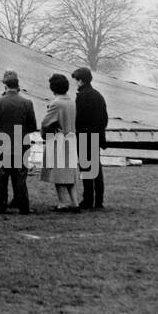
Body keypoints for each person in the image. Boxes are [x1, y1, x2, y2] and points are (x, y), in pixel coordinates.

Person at [0, 69, 37, 216]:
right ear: (18, 85)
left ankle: (1, 207)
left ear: (4, 85)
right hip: (21, 143)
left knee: (2, 176)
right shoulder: (27, 103)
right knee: (20, 176)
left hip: (3, 142)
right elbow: (32, 126)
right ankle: (23, 207)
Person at [40, 72, 80, 211]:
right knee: (70, 174)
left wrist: (44, 134)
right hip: (71, 139)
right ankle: (75, 203)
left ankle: (62, 203)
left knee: (58, 174)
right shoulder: (71, 101)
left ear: (53, 88)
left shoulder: (56, 103)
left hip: (59, 140)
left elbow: (46, 123)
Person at [73, 66, 109, 210]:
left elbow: (79, 118)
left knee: (86, 168)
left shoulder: (81, 96)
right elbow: (104, 118)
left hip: (84, 135)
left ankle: (88, 199)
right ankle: (99, 201)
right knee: (97, 169)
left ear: (80, 81)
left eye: (76, 80)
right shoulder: (98, 95)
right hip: (96, 134)